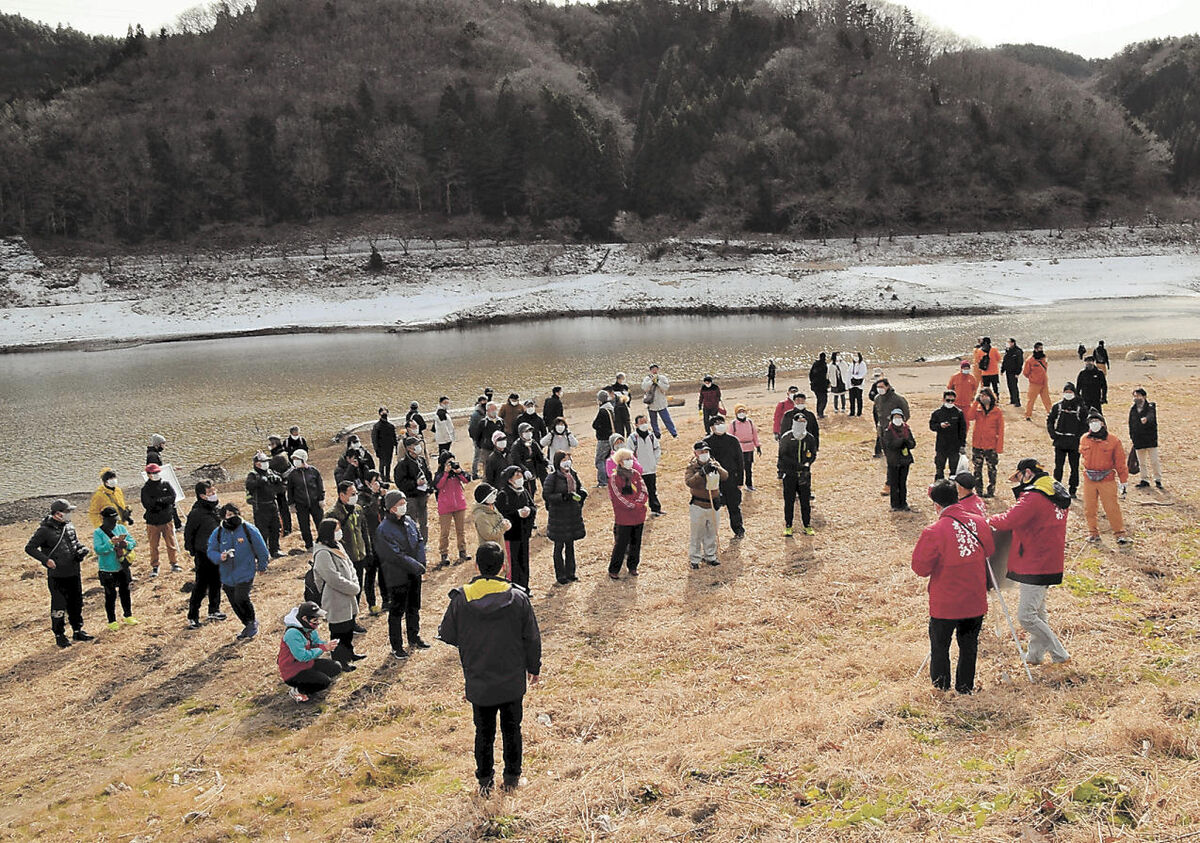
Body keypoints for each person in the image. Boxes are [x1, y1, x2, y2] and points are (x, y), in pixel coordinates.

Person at [438, 541, 542, 796]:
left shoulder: (461, 599)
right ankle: (512, 777)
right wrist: (534, 666)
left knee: (483, 732)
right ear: (503, 566)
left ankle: (485, 780)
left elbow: (447, 634)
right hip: (511, 679)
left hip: (479, 678)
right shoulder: (518, 597)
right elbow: (532, 637)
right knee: (512, 728)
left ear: (476, 565)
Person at [912, 480, 994, 694]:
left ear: (936, 505)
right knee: (969, 646)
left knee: (940, 647)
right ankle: (965, 688)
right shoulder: (980, 522)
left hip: (945, 602)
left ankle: (941, 688)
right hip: (975, 598)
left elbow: (920, 568)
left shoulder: (933, 531)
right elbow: (990, 550)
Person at [988, 459, 1072, 665]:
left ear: (1027, 473)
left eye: (1018, 477)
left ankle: (1060, 653)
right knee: (1039, 613)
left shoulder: (1034, 497)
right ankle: (1035, 656)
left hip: (1034, 561)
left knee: (1026, 616)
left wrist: (987, 520)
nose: (1018, 482)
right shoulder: (1055, 492)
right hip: (1050, 558)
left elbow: (1009, 520)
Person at [26, 499, 94, 648]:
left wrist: (81, 549)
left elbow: (75, 543)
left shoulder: (69, 526)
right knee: (58, 606)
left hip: (74, 571)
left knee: (76, 603)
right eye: (67, 512)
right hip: (57, 575)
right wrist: (46, 560)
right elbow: (30, 548)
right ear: (57, 514)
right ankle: (59, 634)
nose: (70, 515)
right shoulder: (44, 530)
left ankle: (77, 630)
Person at [375, 490, 430, 659]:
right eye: (400, 504)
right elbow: (395, 555)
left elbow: (420, 540)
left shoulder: (408, 521)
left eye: (404, 503)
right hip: (397, 575)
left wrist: (421, 562)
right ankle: (396, 646)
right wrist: (415, 565)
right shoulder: (384, 529)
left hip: (414, 572)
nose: (404, 506)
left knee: (414, 606)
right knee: (397, 611)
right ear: (391, 508)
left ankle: (414, 637)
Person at [207, 502, 270, 640]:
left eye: (234, 514)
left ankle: (252, 622)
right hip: (227, 574)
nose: (231, 517)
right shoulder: (218, 533)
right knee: (233, 601)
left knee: (241, 597)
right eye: (228, 515)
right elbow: (211, 550)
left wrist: (262, 565)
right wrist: (219, 557)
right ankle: (247, 623)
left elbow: (261, 548)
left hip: (245, 570)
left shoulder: (248, 529)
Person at [312, 518, 364, 669]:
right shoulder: (322, 553)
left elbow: (350, 566)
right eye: (336, 530)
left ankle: (350, 653)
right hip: (335, 597)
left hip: (347, 595)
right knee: (339, 631)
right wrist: (353, 588)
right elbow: (333, 578)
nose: (339, 532)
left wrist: (355, 583)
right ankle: (340, 660)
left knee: (348, 627)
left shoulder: (337, 545)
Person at [1079, 411, 1131, 545]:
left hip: (1106, 478)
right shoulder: (1084, 438)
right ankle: (1093, 533)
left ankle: (1119, 534)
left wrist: (1123, 480)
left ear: (1103, 423)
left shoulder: (1113, 440)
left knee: (1111, 507)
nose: (1094, 424)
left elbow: (1120, 462)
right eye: (1091, 422)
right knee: (1089, 508)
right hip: (1089, 478)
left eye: (1097, 421)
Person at [278, 601, 343, 703]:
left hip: (308, 664)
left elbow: (317, 643)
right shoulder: (292, 634)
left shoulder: (309, 628)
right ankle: (298, 690)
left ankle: (312, 680)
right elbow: (302, 656)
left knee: (336, 667)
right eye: (314, 619)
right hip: (293, 672)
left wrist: (328, 645)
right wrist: (323, 648)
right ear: (304, 619)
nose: (317, 622)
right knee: (324, 682)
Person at [183, 481, 225, 629]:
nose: (214, 494)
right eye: (210, 493)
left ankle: (214, 609)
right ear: (202, 496)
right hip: (203, 553)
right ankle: (193, 616)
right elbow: (189, 533)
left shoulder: (216, 509)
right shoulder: (196, 513)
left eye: (214, 491)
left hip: (217, 552)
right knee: (201, 585)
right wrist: (192, 550)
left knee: (216, 582)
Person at [92, 505, 140, 632]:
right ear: (105, 519)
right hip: (107, 569)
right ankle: (112, 621)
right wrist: (110, 544)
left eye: (115, 519)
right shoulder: (98, 532)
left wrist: (127, 544)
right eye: (111, 520)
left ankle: (128, 615)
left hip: (121, 566)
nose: (114, 522)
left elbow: (133, 542)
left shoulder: (121, 528)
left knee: (125, 591)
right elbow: (98, 550)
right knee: (110, 595)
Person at [326, 481, 371, 608]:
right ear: (342, 495)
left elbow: (364, 531)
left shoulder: (358, 509)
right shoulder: (332, 514)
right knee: (347, 590)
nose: (355, 496)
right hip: (344, 558)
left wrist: (368, 551)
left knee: (357, 587)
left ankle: (354, 615)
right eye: (352, 494)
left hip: (359, 555)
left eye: (356, 493)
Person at [543, 451, 586, 584]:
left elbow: (579, 487)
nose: (567, 462)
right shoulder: (553, 477)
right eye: (564, 460)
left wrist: (582, 493)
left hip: (571, 514)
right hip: (558, 516)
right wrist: (562, 497)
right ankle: (560, 575)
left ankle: (571, 572)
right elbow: (547, 495)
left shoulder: (572, 474)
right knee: (559, 546)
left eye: (568, 459)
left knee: (570, 545)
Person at [685, 441, 727, 568]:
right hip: (698, 504)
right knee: (697, 534)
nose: (704, 454)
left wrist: (717, 469)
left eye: (706, 452)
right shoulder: (692, 467)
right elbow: (689, 482)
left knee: (712, 532)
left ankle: (710, 556)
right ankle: (695, 559)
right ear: (695, 453)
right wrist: (701, 473)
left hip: (713, 504)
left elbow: (725, 476)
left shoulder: (714, 463)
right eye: (701, 452)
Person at [608, 448, 648, 579]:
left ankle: (633, 566)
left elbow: (643, 491)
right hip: (624, 517)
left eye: (631, 458)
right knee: (621, 544)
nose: (630, 461)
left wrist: (638, 504)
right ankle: (614, 569)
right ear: (620, 462)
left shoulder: (636, 474)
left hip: (638, 515)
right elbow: (617, 497)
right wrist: (632, 505)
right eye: (626, 459)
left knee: (636, 542)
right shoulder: (614, 478)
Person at [496, 466, 537, 591]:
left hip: (524, 533)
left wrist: (530, 511)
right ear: (509, 480)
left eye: (521, 475)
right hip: (511, 535)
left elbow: (533, 506)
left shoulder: (524, 491)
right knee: (513, 563)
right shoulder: (503, 495)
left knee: (524, 561)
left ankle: (525, 587)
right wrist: (517, 513)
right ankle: (514, 589)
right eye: (517, 476)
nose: (520, 478)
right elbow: (501, 515)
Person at [777, 410, 818, 536]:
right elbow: (782, 456)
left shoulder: (809, 438)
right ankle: (788, 526)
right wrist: (795, 465)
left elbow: (813, 453)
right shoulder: (787, 437)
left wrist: (807, 464)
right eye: (798, 422)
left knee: (805, 502)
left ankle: (807, 525)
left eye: (803, 422)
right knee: (789, 502)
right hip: (790, 475)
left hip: (804, 475)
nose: (801, 424)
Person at [705, 414, 745, 538]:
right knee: (713, 508)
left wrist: (740, 481)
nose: (720, 426)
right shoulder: (706, 442)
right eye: (716, 424)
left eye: (721, 422)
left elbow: (740, 461)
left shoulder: (733, 440)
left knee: (734, 506)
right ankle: (711, 533)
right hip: (715, 479)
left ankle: (738, 529)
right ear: (711, 427)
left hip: (732, 478)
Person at [141, 462, 182, 575]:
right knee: (154, 545)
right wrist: (163, 502)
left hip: (167, 519)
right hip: (152, 522)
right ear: (148, 474)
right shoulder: (146, 489)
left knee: (171, 543)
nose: (156, 474)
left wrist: (160, 501)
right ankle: (155, 566)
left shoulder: (165, 484)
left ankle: (174, 563)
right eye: (153, 473)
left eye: (157, 472)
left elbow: (172, 497)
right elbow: (148, 505)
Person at [1046, 383, 1085, 498]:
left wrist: (1079, 437)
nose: (1068, 394)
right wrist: (1053, 434)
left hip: (1074, 442)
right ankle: (1057, 488)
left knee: (1074, 467)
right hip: (1060, 441)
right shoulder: (1057, 406)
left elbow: (1084, 424)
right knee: (1058, 466)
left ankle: (1073, 490)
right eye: (1066, 392)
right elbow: (1050, 420)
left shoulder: (1080, 408)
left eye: (1070, 392)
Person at [434, 452, 472, 566]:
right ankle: (444, 555)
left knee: (461, 531)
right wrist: (446, 473)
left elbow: (467, 480)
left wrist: (459, 472)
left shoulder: (457, 473)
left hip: (459, 505)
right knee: (444, 532)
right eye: (448, 462)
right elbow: (438, 485)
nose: (451, 464)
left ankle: (462, 552)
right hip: (445, 507)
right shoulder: (439, 475)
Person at [359, 470, 390, 615]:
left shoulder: (380, 496)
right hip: (369, 541)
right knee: (370, 573)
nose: (377, 484)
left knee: (384, 572)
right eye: (374, 481)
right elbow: (369, 513)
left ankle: (386, 600)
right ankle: (371, 603)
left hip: (382, 539)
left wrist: (383, 497)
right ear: (367, 483)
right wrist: (375, 496)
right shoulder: (362, 497)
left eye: (379, 480)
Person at [246, 451, 285, 558]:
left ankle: (275, 550)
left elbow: (281, 490)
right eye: (263, 462)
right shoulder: (253, 475)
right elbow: (249, 486)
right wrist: (259, 481)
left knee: (275, 528)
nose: (265, 464)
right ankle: (262, 553)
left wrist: (278, 480)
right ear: (257, 463)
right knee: (262, 531)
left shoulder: (271, 472)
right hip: (260, 506)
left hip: (272, 504)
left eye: (266, 461)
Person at [966, 387, 1005, 498]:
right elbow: (969, 417)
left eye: (985, 396)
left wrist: (999, 447)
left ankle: (991, 490)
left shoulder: (997, 411)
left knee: (992, 469)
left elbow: (1000, 430)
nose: (984, 398)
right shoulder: (978, 409)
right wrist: (975, 402)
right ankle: (978, 490)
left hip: (991, 445)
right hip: (977, 445)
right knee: (977, 469)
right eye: (982, 396)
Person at [872, 378, 909, 490]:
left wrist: (896, 426)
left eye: (882, 387)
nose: (880, 389)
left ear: (888, 386)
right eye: (878, 387)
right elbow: (876, 414)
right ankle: (891, 481)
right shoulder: (877, 399)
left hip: (896, 433)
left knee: (895, 457)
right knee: (889, 457)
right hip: (883, 433)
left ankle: (890, 483)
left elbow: (906, 414)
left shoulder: (898, 399)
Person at [394, 436, 434, 540]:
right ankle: (413, 542)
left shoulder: (421, 461)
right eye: (415, 445)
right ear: (409, 448)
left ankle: (424, 542)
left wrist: (429, 488)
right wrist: (415, 483)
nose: (418, 447)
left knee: (424, 522)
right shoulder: (403, 464)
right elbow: (400, 483)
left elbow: (428, 475)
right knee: (411, 522)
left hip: (423, 496)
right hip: (411, 497)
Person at [286, 449, 325, 551]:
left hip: (315, 503)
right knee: (304, 526)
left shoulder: (313, 471)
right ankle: (309, 545)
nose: (295, 461)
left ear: (303, 459)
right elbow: (290, 490)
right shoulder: (292, 475)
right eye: (294, 459)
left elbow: (320, 486)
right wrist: (291, 504)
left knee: (320, 523)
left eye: (297, 459)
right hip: (301, 504)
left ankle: (324, 541)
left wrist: (321, 498)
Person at [881, 408, 916, 511]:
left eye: (899, 417)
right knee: (894, 483)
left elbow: (913, 443)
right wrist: (900, 441)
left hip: (905, 460)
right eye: (895, 417)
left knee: (902, 482)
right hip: (893, 461)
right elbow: (889, 445)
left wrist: (907, 442)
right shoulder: (888, 431)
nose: (897, 419)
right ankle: (895, 504)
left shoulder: (907, 430)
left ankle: (903, 503)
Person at [929, 390, 967, 481]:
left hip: (954, 445)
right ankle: (938, 486)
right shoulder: (937, 413)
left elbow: (962, 430)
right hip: (941, 445)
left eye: (952, 401)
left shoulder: (958, 413)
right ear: (943, 400)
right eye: (948, 400)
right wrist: (940, 426)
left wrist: (962, 445)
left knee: (954, 469)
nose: (950, 403)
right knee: (939, 468)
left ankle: (952, 488)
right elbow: (932, 426)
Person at [629, 414, 663, 515]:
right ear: (636, 425)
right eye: (641, 423)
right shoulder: (632, 438)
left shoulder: (651, 436)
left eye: (645, 422)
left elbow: (657, 449)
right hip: (639, 471)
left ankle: (655, 509)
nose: (644, 425)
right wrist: (635, 467)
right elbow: (629, 453)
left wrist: (654, 461)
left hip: (651, 468)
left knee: (652, 490)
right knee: (639, 492)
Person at [1129, 388, 1162, 489]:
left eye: (1138, 396)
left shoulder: (1150, 406)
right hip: (1138, 440)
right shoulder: (1133, 409)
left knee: (1154, 461)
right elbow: (1130, 424)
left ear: (1144, 396)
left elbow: (1151, 416)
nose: (1136, 398)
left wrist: (1146, 419)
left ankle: (1158, 479)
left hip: (1150, 439)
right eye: (1135, 396)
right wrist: (1132, 437)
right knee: (1142, 462)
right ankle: (1144, 479)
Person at [510, 422, 549, 506]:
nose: (528, 434)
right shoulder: (516, 446)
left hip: (532, 467)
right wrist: (524, 470)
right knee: (526, 488)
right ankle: (526, 504)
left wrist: (547, 463)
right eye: (526, 431)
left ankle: (531, 502)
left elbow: (540, 455)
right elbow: (516, 461)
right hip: (522, 469)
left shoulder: (533, 443)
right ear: (521, 433)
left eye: (529, 431)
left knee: (533, 487)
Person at [730, 404, 762, 491]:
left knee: (748, 468)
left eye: (743, 411)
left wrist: (758, 446)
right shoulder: (733, 424)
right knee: (738, 468)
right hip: (739, 449)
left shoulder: (750, 422)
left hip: (749, 448)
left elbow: (754, 435)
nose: (742, 413)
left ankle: (749, 485)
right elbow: (731, 438)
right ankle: (739, 484)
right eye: (739, 412)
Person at [267, 435, 294, 537]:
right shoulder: (282, 453)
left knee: (283, 509)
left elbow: (271, 466)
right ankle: (286, 528)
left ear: (276, 444)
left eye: (271, 444)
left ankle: (286, 529)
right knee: (283, 509)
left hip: (280, 487)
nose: (269, 446)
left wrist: (262, 459)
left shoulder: (279, 457)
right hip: (282, 485)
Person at [641, 364, 678, 438]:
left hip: (661, 403)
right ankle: (657, 435)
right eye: (652, 369)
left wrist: (658, 382)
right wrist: (651, 381)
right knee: (653, 421)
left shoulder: (662, 378)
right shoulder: (647, 379)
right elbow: (644, 388)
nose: (654, 371)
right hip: (651, 404)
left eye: (655, 369)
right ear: (650, 370)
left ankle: (674, 433)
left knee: (667, 419)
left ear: (658, 370)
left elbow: (665, 388)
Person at [472, 484, 510, 549]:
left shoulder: (492, 507)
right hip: (489, 550)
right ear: (485, 499)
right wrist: (503, 527)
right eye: (491, 495)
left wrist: (506, 522)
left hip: (499, 545)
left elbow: (500, 519)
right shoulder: (481, 515)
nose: (494, 496)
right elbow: (489, 535)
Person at [592, 391, 617, 487]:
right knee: (607, 458)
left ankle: (603, 481)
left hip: (603, 438)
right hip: (611, 436)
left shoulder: (603, 410)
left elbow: (595, 424)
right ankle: (609, 478)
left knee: (600, 460)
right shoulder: (611, 407)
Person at [1022, 342, 1051, 420]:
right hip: (1034, 384)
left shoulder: (1044, 358)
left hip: (1044, 382)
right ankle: (1028, 415)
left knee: (1047, 399)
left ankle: (1050, 413)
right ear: (1035, 349)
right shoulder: (1030, 360)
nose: (1041, 350)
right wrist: (1033, 378)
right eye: (1039, 348)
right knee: (1031, 400)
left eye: (1042, 348)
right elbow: (1025, 373)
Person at [372, 407, 399, 480]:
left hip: (389, 448)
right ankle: (382, 477)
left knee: (388, 463)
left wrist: (396, 447)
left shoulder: (390, 426)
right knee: (382, 463)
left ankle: (387, 477)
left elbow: (394, 438)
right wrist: (376, 449)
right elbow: (374, 439)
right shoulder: (377, 426)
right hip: (381, 448)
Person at [468, 395, 490, 480]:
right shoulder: (476, 415)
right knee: (477, 456)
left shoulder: (482, 412)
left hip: (483, 438)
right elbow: (472, 429)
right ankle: (474, 473)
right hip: (479, 439)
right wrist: (476, 439)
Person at [1001, 338, 1024, 407]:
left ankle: (1017, 402)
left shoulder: (1018, 351)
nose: (1008, 343)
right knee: (1009, 386)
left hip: (1014, 372)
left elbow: (1020, 363)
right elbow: (1005, 361)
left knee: (1014, 387)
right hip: (1008, 371)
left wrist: (1018, 373)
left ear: (1013, 343)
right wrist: (1002, 369)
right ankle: (1012, 400)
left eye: (1009, 342)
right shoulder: (1008, 351)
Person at [808, 352, 830, 419]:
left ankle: (819, 413)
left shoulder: (815, 364)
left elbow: (810, 374)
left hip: (815, 385)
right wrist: (828, 383)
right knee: (824, 399)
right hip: (822, 386)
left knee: (819, 399)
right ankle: (820, 413)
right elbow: (826, 376)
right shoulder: (824, 365)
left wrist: (812, 382)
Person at [848, 353, 868, 417]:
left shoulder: (862, 364)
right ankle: (852, 412)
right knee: (852, 399)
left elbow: (863, 373)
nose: (855, 357)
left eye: (856, 356)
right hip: (852, 384)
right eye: (854, 356)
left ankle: (859, 412)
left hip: (859, 384)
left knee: (859, 398)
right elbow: (849, 373)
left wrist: (856, 377)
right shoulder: (851, 364)